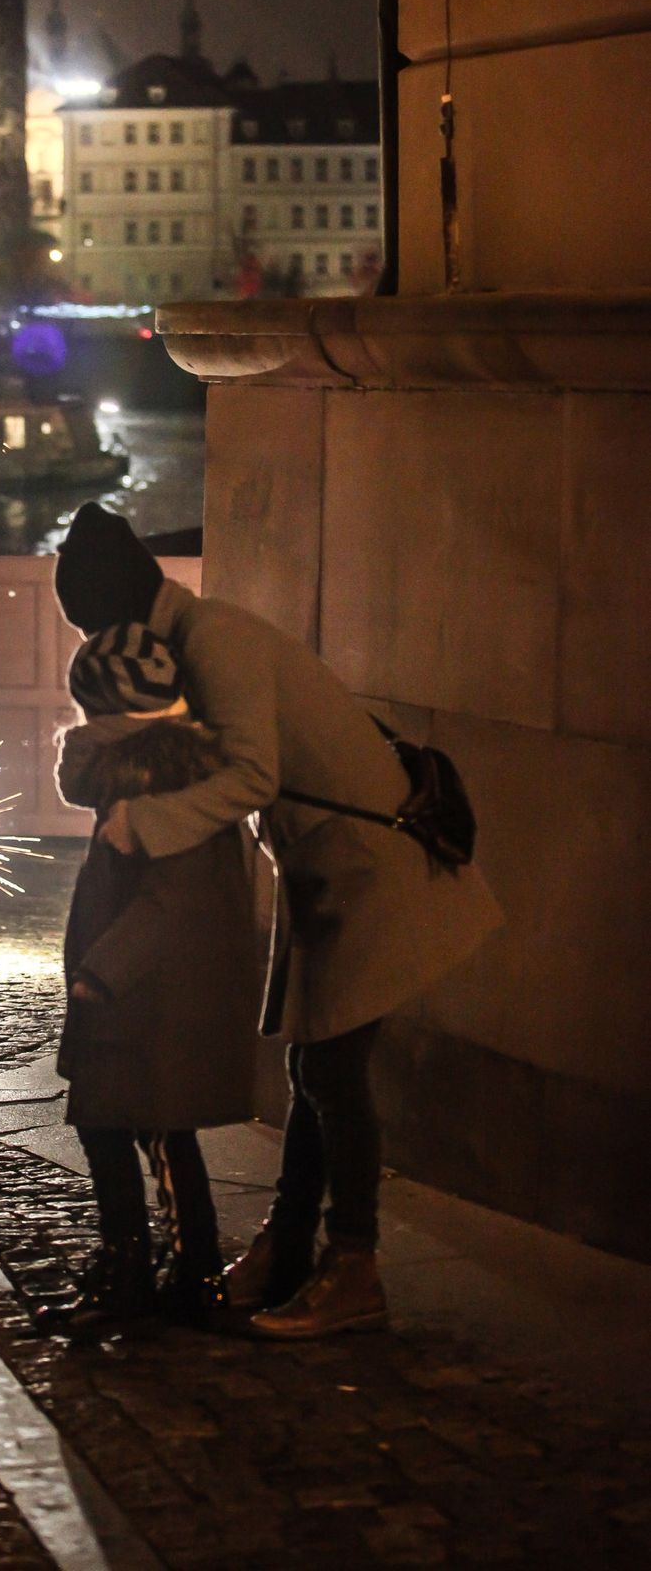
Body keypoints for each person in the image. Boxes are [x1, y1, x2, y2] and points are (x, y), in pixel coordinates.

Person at [53, 501, 505, 1340]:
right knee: (312, 1069)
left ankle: (353, 1265)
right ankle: (289, 1249)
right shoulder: (197, 637)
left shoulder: (214, 642)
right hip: (326, 871)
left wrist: (142, 829)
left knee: (331, 1075)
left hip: (368, 868)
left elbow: (253, 776)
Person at [37, 622, 259, 1339]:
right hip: (140, 995)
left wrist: (102, 974)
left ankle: (153, 1276)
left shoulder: (158, 779)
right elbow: (78, 779)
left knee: (142, 1132)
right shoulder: (144, 768)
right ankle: (168, 1274)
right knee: (139, 1131)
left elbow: (175, 896)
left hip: (144, 1000)